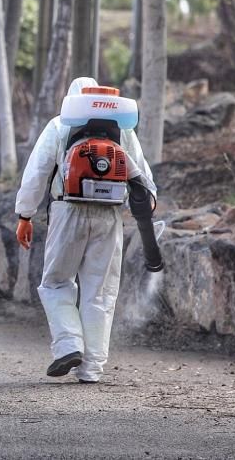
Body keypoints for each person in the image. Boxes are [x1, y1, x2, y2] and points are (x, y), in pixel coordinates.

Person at [14, 77, 156, 383]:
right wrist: (148, 202)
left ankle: (68, 345)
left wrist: (25, 214)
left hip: (67, 210)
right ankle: (91, 368)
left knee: (55, 283)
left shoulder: (59, 125)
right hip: (109, 215)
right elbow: (140, 173)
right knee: (100, 293)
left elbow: (37, 171)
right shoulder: (122, 129)